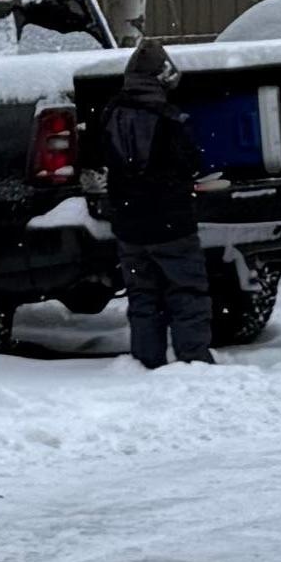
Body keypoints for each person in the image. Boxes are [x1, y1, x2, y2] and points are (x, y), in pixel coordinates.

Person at [100, 37, 215, 369]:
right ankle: (193, 360)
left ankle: (146, 361)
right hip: (171, 222)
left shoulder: (111, 114)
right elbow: (191, 163)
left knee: (143, 296)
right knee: (187, 292)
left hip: (129, 225)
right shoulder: (168, 120)